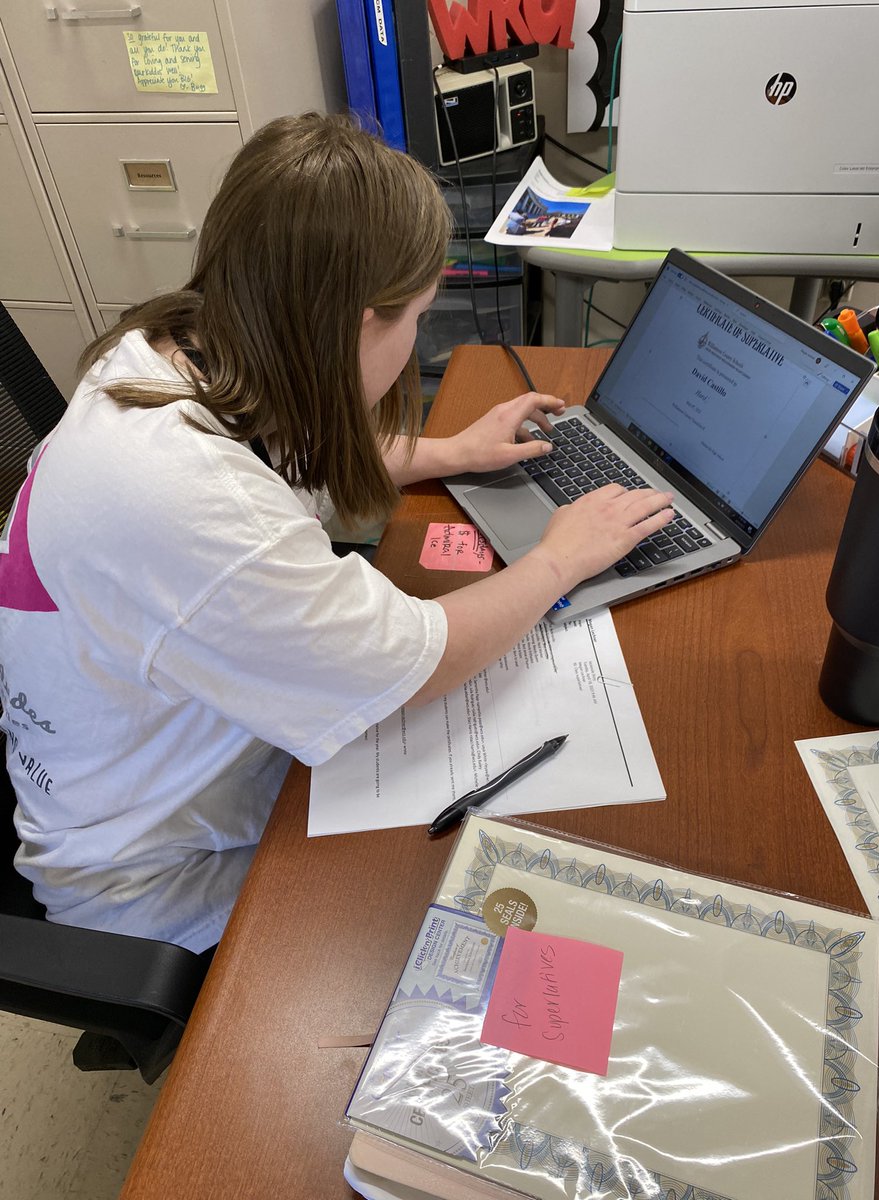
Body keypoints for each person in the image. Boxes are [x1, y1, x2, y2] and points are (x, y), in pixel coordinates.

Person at [0, 113, 673, 955]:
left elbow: (287, 450)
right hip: (161, 876)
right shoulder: (190, 505)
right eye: (416, 318)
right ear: (356, 326)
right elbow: (421, 658)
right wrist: (558, 559)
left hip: (178, 768)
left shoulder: (177, 345)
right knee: (490, 909)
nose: (417, 341)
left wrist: (453, 451)